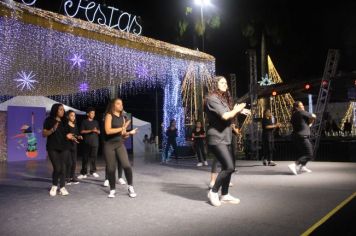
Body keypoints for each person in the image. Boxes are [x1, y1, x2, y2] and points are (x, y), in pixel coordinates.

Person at [205, 76, 249, 207]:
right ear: (215, 84)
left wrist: (237, 111)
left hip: (226, 137)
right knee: (229, 167)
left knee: (229, 167)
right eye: (222, 82)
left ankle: (225, 195)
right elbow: (225, 116)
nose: (225, 84)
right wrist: (236, 109)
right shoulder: (211, 99)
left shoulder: (222, 99)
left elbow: (228, 116)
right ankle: (213, 192)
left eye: (226, 83)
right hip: (216, 137)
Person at [103, 98, 138, 198]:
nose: (121, 105)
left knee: (127, 165)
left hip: (119, 144)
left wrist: (130, 133)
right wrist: (122, 128)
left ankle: (130, 186)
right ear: (113, 105)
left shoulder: (122, 118)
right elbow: (108, 131)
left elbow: (122, 134)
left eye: (121, 104)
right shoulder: (109, 116)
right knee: (111, 168)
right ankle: (112, 189)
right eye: (118, 104)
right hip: (109, 145)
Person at [43, 104, 75, 196]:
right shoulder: (48, 120)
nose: (62, 111)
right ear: (55, 110)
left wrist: (69, 136)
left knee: (63, 167)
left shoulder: (65, 121)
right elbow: (44, 134)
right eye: (60, 109)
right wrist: (53, 129)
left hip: (65, 146)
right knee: (57, 168)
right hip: (52, 147)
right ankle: (54, 185)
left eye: (63, 109)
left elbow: (67, 133)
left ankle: (62, 187)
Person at [288, 101, 316, 175]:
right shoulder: (301, 112)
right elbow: (313, 116)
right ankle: (294, 165)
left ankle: (302, 167)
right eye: (301, 105)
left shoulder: (293, 115)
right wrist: (311, 121)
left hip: (296, 136)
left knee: (304, 153)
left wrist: (309, 124)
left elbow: (303, 123)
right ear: (297, 107)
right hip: (302, 136)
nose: (303, 106)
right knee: (310, 154)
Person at [78, 107, 100, 179]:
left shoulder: (96, 122)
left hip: (95, 142)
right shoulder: (84, 122)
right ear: (88, 114)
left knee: (94, 158)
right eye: (92, 113)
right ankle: (83, 172)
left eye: (94, 113)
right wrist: (91, 130)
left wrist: (97, 131)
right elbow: (81, 131)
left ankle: (93, 171)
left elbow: (99, 131)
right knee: (85, 158)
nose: (93, 114)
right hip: (86, 142)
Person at [66, 110, 83, 185]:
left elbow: (76, 134)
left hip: (74, 145)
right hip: (67, 145)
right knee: (69, 162)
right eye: (71, 115)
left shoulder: (75, 125)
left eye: (74, 115)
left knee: (74, 162)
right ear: (68, 116)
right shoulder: (65, 125)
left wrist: (79, 136)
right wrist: (70, 137)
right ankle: (67, 178)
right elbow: (65, 135)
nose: (73, 117)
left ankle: (72, 176)